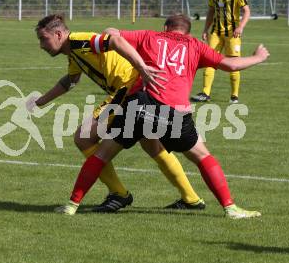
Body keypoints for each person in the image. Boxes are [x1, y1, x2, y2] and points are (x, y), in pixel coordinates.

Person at [56, 14, 269, 219]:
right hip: (174, 112)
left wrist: (140, 62)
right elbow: (231, 65)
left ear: (165, 28)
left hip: (139, 104)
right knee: (202, 156)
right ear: (187, 32)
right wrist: (258, 57)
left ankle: (72, 205)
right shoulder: (195, 46)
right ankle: (229, 208)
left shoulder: (150, 36)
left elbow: (111, 33)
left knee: (102, 154)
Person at [31, 14, 206, 213]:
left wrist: (141, 67)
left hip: (127, 88)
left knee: (84, 137)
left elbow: (114, 40)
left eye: (43, 39)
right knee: (152, 145)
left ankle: (119, 194)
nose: (41, 45)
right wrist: (40, 101)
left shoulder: (79, 41)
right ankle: (191, 198)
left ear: (58, 34)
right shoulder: (73, 52)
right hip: (135, 89)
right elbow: (70, 80)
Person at [191, 0, 250, 103]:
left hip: (232, 33)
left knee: (234, 62)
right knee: (209, 60)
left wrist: (240, 27)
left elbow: (247, 10)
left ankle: (234, 96)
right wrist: (205, 29)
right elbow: (211, 11)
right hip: (216, 32)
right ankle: (205, 93)